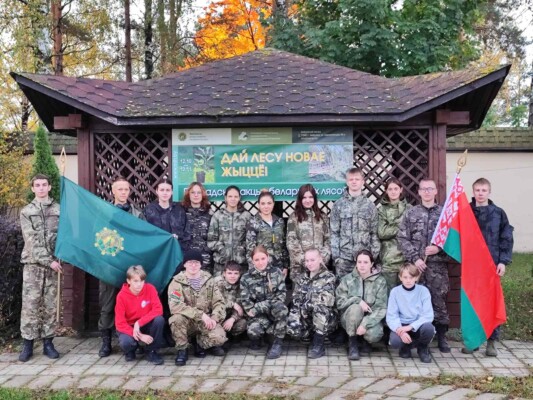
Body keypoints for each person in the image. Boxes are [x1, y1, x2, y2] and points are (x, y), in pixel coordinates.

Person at [397, 178, 452, 353]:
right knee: (414, 303)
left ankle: (442, 337)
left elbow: (453, 242)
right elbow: (402, 238)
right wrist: (415, 258)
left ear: (436, 191)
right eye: (423, 189)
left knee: (438, 302)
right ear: (419, 192)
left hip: (437, 268)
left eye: (430, 189)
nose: (427, 192)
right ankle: (416, 338)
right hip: (415, 269)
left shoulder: (445, 215)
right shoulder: (411, 213)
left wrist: (439, 250)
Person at [461, 177, 514, 357]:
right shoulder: (465, 212)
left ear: (489, 192)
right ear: (473, 191)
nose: (480, 193)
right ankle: (473, 340)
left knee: (491, 303)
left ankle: (492, 342)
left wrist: (503, 261)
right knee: (473, 303)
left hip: (492, 266)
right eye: (477, 190)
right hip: (472, 267)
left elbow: (506, 238)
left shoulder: (498, 213)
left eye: (484, 190)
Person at [98, 176, 145, 358]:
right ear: (113, 191)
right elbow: (98, 236)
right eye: (120, 189)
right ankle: (106, 341)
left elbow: (143, 237)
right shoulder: (105, 212)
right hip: (110, 265)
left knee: (133, 303)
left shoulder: (137, 214)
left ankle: (134, 339)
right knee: (108, 304)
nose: (123, 192)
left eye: (126, 189)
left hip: (131, 267)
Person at [18, 174, 61, 362]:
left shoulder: (59, 210)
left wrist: (61, 255)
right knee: (30, 305)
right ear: (32, 188)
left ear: (50, 187)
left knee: (50, 304)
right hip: (33, 264)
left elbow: (64, 236)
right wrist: (48, 260)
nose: (41, 188)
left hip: (54, 264)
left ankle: (48, 343)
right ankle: (28, 343)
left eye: (44, 185)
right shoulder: (26, 212)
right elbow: (32, 241)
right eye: (38, 185)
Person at [168, 250, 227, 366]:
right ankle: (182, 349)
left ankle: (199, 343)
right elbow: (175, 306)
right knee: (176, 319)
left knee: (220, 338)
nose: (193, 265)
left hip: (205, 321)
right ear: (184, 264)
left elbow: (219, 302)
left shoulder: (209, 280)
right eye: (190, 262)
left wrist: (215, 317)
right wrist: (200, 315)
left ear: (201, 264)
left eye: (196, 262)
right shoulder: (177, 282)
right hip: (187, 321)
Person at [336, 250, 388, 360]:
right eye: (359, 262)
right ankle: (352, 343)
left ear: (372, 264)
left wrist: (365, 324)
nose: (362, 265)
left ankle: (365, 340)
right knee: (355, 308)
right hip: (349, 319)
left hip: (371, 319)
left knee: (374, 334)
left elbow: (381, 308)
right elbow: (339, 303)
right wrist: (357, 300)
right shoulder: (348, 280)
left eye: (365, 262)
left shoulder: (380, 281)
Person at [330, 168, 380, 280]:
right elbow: (334, 233)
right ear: (347, 182)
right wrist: (337, 257)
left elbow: (374, 234)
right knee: (343, 292)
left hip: (364, 260)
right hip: (344, 259)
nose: (354, 181)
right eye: (351, 179)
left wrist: (372, 256)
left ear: (363, 182)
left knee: (365, 291)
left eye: (357, 179)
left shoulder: (370, 206)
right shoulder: (338, 205)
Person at [240, 245, 288, 359]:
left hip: (274, 313)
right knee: (254, 331)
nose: (260, 262)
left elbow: (281, 296)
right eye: (257, 260)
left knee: (281, 308)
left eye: (263, 259)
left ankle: (277, 343)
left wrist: (261, 306)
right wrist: (257, 309)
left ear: (268, 257)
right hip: (258, 316)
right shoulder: (246, 278)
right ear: (252, 261)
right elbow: (248, 305)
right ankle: (264, 337)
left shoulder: (276, 272)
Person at [287, 249, 336, 359]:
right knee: (292, 328)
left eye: (312, 260)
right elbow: (296, 300)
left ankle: (319, 344)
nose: (309, 263)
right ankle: (310, 336)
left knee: (320, 308)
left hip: (326, 319)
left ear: (320, 259)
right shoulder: (302, 278)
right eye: (307, 260)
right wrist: (295, 316)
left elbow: (326, 300)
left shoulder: (328, 277)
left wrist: (306, 305)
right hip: (307, 316)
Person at [114, 265, 165, 365]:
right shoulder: (121, 296)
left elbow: (158, 309)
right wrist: (140, 336)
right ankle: (131, 350)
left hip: (145, 323)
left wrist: (139, 322)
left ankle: (151, 351)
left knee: (159, 320)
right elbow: (120, 323)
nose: (139, 284)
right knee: (126, 342)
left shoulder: (150, 289)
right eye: (135, 281)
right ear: (128, 281)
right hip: (129, 326)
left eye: (142, 281)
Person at [386, 263, 435, 363]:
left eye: (411, 277)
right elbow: (391, 315)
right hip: (402, 324)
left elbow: (428, 315)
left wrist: (411, 326)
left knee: (429, 328)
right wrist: (401, 330)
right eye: (405, 277)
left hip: (418, 324)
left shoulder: (423, 291)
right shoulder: (395, 292)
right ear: (400, 278)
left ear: (416, 277)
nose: (408, 280)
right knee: (395, 342)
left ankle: (422, 348)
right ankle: (405, 346)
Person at [287, 184, 331, 283]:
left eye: (310, 197)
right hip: (300, 270)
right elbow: (291, 242)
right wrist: (307, 262)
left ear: (314, 198)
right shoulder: (293, 218)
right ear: (300, 199)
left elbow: (328, 239)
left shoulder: (322, 217)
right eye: (304, 197)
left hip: (320, 267)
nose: (308, 200)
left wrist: (321, 259)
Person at [208, 186, 251, 276]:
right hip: (221, 266)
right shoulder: (218, 216)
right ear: (225, 198)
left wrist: (242, 248)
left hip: (241, 265)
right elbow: (211, 240)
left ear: (239, 198)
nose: (233, 199)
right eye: (230, 196)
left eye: (235, 197)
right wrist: (222, 250)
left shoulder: (246, 216)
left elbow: (251, 239)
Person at [246, 191, 289, 276]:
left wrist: (285, 266)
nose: (266, 206)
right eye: (263, 203)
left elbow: (284, 245)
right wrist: (254, 269)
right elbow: (250, 248)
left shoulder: (279, 221)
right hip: (260, 267)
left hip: (278, 267)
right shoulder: (253, 222)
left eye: (269, 203)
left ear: (273, 204)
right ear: (258, 205)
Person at [378, 178, 410, 293]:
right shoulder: (381, 210)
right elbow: (382, 233)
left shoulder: (409, 209)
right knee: (390, 296)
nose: (393, 192)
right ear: (386, 191)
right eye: (390, 189)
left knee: (406, 296)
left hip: (406, 260)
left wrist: (392, 226)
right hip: (389, 261)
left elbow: (411, 231)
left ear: (401, 190)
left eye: (396, 188)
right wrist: (401, 226)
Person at [143, 178, 190, 250]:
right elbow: (144, 233)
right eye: (162, 190)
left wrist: (178, 237)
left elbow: (187, 234)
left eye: (168, 190)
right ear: (157, 191)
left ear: (172, 192)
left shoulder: (179, 210)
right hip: (156, 251)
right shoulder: (149, 210)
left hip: (176, 251)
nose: (165, 193)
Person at [182, 182, 213, 273]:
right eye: (193, 192)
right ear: (188, 195)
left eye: (199, 192)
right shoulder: (181, 212)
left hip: (205, 259)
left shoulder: (209, 213)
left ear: (202, 195)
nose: (196, 195)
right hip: (187, 259)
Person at [214, 260, 247, 343]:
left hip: (230, 316)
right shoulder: (217, 282)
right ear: (224, 273)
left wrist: (232, 319)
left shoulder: (242, 285)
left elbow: (241, 307)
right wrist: (232, 304)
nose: (233, 276)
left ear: (239, 275)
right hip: (217, 316)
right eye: (229, 273)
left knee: (243, 323)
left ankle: (230, 337)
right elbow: (215, 301)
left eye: (236, 273)